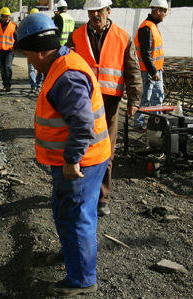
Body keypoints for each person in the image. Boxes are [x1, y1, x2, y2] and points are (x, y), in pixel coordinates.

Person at [15, 13, 110, 297]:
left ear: (42, 50)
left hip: (82, 162)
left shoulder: (66, 75)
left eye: (29, 54)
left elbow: (83, 125)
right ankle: (72, 255)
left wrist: (71, 160)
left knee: (76, 216)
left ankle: (82, 278)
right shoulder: (60, 63)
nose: (28, 61)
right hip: (77, 159)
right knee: (64, 210)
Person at [67, 0, 141, 217]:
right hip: (83, 100)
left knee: (106, 151)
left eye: (99, 10)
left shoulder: (122, 36)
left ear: (108, 11)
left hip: (109, 103)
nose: (95, 15)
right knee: (80, 146)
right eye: (92, 11)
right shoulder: (77, 35)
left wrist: (135, 99)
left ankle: (102, 198)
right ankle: (80, 191)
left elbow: (132, 69)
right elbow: (68, 63)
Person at [133, 0, 168, 127]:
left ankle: (156, 123)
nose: (165, 14)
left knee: (158, 97)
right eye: (164, 11)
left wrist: (158, 68)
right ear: (157, 11)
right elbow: (145, 53)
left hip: (156, 70)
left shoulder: (153, 26)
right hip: (147, 71)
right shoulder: (147, 28)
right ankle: (138, 124)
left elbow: (154, 52)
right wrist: (153, 71)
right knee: (145, 98)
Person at [0, 7, 17, 92]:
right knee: (2, 69)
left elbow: (17, 38)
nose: (7, 18)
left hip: (9, 51)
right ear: (1, 16)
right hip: (0, 50)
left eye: (8, 16)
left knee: (8, 67)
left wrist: (14, 48)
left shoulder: (13, 26)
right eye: (5, 16)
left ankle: (8, 85)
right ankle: (5, 84)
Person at [26, 8, 44, 93]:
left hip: (38, 50)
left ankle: (37, 85)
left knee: (39, 69)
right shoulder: (28, 26)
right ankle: (34, 86)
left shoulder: (42, 25)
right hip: (31, 50)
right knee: (32, 69)